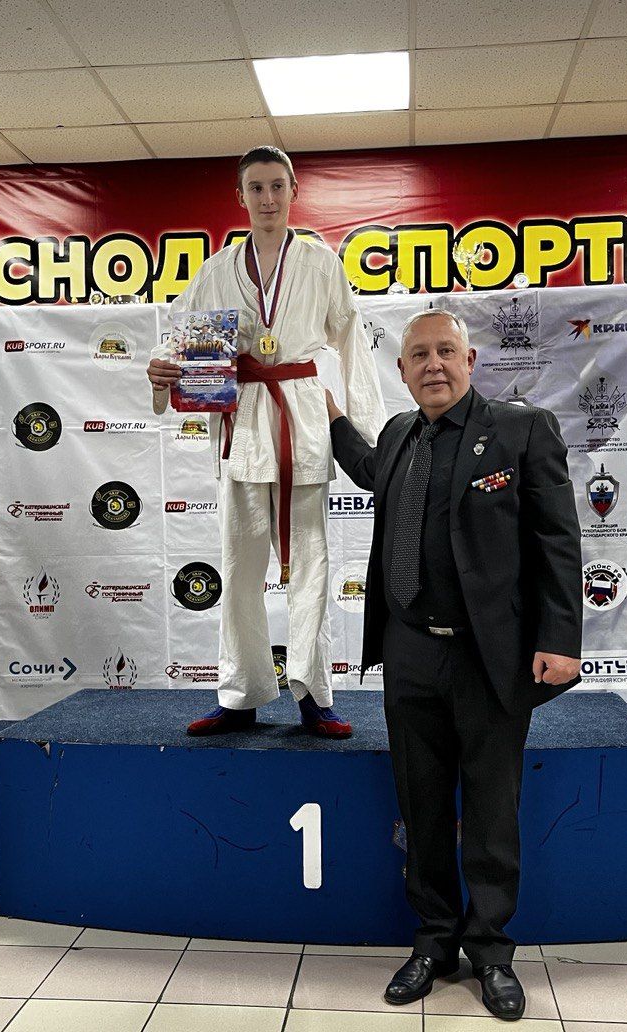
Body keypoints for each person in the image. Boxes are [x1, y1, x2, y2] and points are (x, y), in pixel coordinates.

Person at [327, 309, 583, 1020]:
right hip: (409, 651)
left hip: (489, 657)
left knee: (493, 810)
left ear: (470, 361)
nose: (433, 364)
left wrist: (561, 638)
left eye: (446, 351)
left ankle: (491, 951)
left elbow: (557, 539)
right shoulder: (398, 434)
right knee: (423, 806)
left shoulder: (521, 430)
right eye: (419, 355)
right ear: (402, 370)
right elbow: (369, 469)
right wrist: (328, 416)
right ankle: (434, 942)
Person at [148, 146, 385, 738]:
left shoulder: (321, 263)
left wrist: (370, 436)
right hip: (243, 421)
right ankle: (240, 694)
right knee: (239, 566)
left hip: (302, 418)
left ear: (294, 191)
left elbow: (352, 344)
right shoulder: (217, 269)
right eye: (256, 188)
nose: (268, 198)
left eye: (278, 186)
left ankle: (313, 693)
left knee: (311, 566)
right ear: (241, 197)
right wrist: (161, 369)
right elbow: (179, 336)